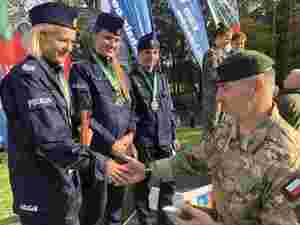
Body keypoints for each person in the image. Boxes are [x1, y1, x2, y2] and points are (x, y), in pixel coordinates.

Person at [0, 3, 140, 225]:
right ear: (41, 36)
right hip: (42, 192)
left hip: (63, 183)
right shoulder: (28, 78)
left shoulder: (52, 73)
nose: (69, 48)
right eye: (62, 40)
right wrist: (104, 164)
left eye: (72, 42)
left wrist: (119, 150)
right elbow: (52, 141)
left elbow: (77, 119)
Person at [127, 50, 300, 225]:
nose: (218, 97)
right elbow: (196, 158)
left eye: (225, 88)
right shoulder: (230, 124)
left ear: (256, 87)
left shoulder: (288, 156)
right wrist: (148, 170)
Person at [69, 12, 137, 225]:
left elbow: (132, 108)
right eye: (107, 37)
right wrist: (112, 143)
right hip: (98, 156)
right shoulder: (81, 69)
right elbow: (83, 115)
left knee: (116, 214)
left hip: (122, 154)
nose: (112, 44)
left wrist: (130, 136)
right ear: (95, 35)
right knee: (94, 214)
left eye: (117, 40)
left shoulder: (122, 71)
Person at [129, 32, 177, 225]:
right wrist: (131, 141)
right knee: (143, 189)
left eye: (155, 52)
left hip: (164, 142)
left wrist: (173, 136)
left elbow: (170, 109)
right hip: (144, 143)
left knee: (167, 186)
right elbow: (129, 113)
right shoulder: (130, 79)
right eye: (147, 52)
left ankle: (165, 221)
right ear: (139, 54)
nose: (151, 56)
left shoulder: (162, 78)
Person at [201, 23, 233, 130]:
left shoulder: (224, 54)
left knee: (222, 128)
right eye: (226, 38)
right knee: (212, 128)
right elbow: (214, 75)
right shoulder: (211, 54)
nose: (228, 41)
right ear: (218, 37)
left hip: (223, 96)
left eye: (230, 39)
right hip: (213, 97)